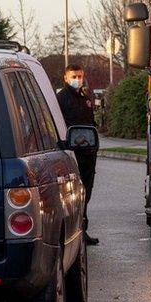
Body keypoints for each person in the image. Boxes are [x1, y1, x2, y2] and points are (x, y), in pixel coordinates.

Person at [56, 64, 99, 245]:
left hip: (88, 152)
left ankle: (83, 230)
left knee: (85, 194)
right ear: (65, 78)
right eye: (74, 76)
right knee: (74, 194)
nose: (77, 79)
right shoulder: (61, 98)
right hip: (73, 152)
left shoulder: (84, 96)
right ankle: (76, 231)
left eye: (80, 76)